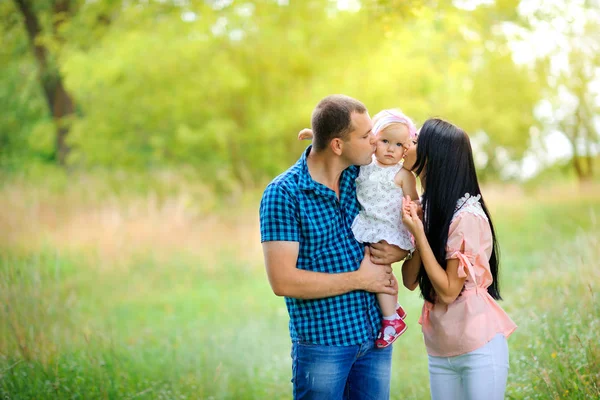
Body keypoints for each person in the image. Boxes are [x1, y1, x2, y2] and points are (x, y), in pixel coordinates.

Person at [259, 94, 409, 400]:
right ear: (338, 146)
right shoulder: (283, 194)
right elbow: (283, 281)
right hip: (324, 345)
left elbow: (406, 164)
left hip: (374, 339)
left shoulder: (361, 175)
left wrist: (401, 251)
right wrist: (361, 280)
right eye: (367, 136)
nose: (375, 142)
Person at [400, 118, 517, 400]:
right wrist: (420, 229)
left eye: (415, 141)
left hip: (478, 347)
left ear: (433, 156)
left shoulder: (467, 216)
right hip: (440, 349)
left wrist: (420, 233)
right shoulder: (428, 208)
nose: (407, 145)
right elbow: (409, 280)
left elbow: (450, 291)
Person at [298, 109, 419, 348]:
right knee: (369, 262)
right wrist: (315, 135)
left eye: (398, 145)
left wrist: (413, 217)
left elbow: (414, 202)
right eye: (384, 141)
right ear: (374, 140)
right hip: (368, 224)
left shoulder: (404, 175)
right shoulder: (365, 165)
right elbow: (339, 144)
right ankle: (391, 306)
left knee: (377, 264)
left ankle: (391, 318)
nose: (389, 149)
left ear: (405, 150)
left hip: (389, 229)